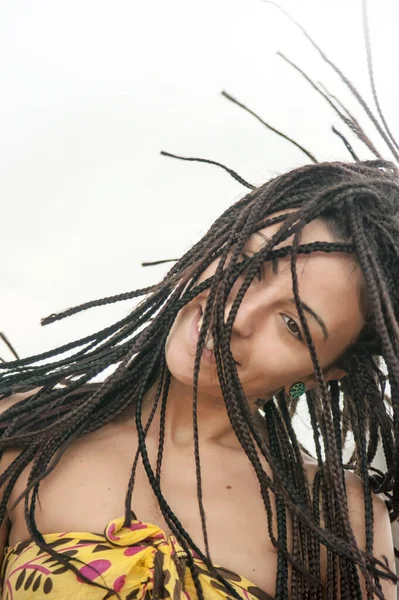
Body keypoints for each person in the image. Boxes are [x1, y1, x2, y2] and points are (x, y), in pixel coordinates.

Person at [0, 6, 398, 600]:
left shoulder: (336, 522)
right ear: (211, 247)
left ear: (328, 372)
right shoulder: (26, 431)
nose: (235, 316)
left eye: (293, 325)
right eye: (250, 264)